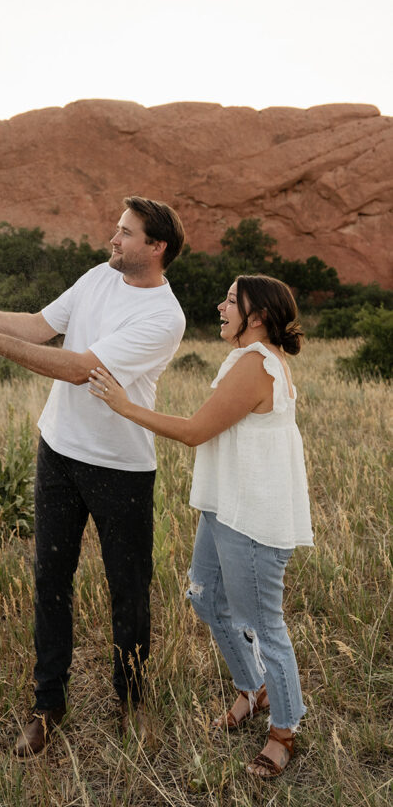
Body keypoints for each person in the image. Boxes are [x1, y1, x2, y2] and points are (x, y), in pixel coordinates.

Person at [0, 196, 186, 755]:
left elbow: (82, 369)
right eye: (117, 229)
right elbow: (39, 326)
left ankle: (132, 703)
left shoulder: (164, 316)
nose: (113, 239)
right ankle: (48, 707)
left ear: (156, 247)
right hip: (58, 452)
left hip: (121, 467)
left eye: (126, 233)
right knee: (50, 582)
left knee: (128, 593)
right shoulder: (98, 276)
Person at [89, 274, 313, 779]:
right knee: (206, 598)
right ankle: (251, 689)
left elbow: (194, 432)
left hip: (252, 515)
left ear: (256, 317)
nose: (220, 306)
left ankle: (283, 730)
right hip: (225, 506)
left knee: (265, 625)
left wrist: (126, 406)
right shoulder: (248, 358)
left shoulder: (258, 364)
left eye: (231, 301)